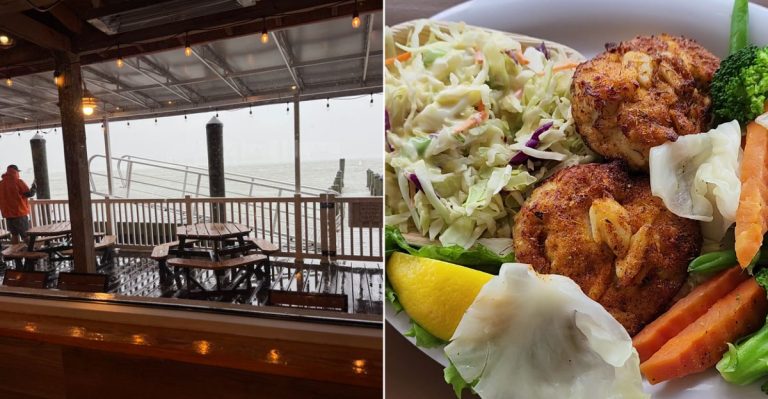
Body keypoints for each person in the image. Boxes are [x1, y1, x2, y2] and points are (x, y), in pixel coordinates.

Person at [0, 165, 36, 244]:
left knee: (14, 235)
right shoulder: (18, 181)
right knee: (25, 235)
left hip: (8, 215)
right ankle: (31, 250)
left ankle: (15, 251)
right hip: (19, 213)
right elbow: (29, 194)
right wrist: (34, 187)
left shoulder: (1, 183)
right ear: (16, 171)